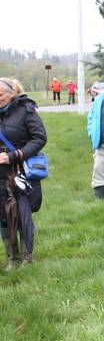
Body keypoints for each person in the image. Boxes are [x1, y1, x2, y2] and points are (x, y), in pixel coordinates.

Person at [0, 78, 46, 267]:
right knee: (2, 216)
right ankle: (12, 258)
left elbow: (39, 138)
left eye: (0, 95)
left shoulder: (26, 110)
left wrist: (14, 155)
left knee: (21, 213)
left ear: (12, 94)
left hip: (20, 172)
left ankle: (27, 257)